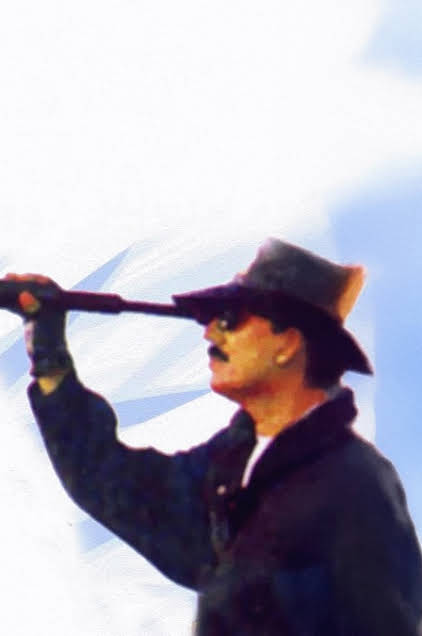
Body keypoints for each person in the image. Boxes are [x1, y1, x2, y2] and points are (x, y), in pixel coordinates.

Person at [7, 238, 422, 635]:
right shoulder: (233, 468)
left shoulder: (355, 484)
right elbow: (116, 486)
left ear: (288, 344)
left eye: (230, 319)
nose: (210, 334)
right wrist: (48, 354)